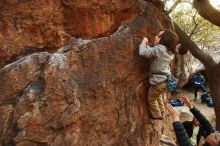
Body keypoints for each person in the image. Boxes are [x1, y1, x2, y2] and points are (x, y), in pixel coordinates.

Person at [139, 29, 179, 120]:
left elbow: (142, 52)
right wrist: (148, 47)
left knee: (151, 98)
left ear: (164, 39)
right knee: (158, 95)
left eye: (159, 35)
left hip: (158, 81)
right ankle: (162, 110)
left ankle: (157, 115)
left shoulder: (160, 49)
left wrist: (143, 42)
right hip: (165, 81)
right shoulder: (170, 52)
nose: (156, 36)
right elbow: (154, 53)